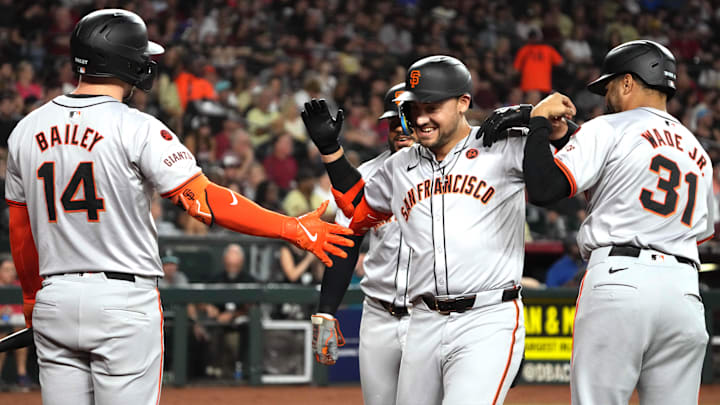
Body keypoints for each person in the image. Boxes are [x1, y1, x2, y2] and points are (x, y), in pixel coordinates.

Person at [4, 9, 352, 405]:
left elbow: (21, 229)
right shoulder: (136, 126)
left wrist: (33, 302)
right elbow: (205, 201)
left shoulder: (25, 130)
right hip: (122, 301)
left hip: (55, 299)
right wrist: (291, 228)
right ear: (126, 63)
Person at [487, 40, 714, 405]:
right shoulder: (698, 152)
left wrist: (540, 123)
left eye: (608, 86)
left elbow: (544, 188)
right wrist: (566, 136)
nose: (604, 96)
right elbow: (703, 231)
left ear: (628, 83)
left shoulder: (607, 127)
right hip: (684, 293)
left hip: (621, 282)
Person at [302, 56, 527, 405]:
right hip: (402, 313)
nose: (412, 123)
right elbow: (352, 221)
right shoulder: (389, 170)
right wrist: (331, 152)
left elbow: (564, 167)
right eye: (405, 115)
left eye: (429, 107)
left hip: (476, 312)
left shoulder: (496, 150)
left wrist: (538, 118)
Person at [310, 83, 418, 405]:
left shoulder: (449, 172)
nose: (400, 130)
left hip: (429, 315)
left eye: (408, 121)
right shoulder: (366, 176)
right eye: (393, 122)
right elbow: (345, 246)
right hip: (379, 313)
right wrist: (327, 311)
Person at [0, 256, 30, 391]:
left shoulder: (20, 286)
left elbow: (22, 310)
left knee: (20, 332)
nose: (10, 273)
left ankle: (21, 376)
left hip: (16, 324)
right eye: (6, 270)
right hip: (1, 328)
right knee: (2, 334)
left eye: (12, 270)